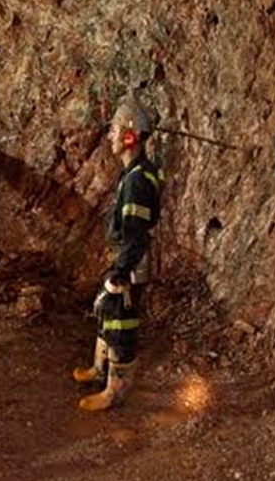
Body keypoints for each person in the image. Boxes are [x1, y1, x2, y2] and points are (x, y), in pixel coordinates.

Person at [72, 97, 163, 411]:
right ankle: (100, 370)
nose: (109, 135)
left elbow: (136, 239)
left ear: (129, 135)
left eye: (113, 129)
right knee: (107, 314)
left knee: (121, 325)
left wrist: (119, 275)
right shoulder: (134, 173)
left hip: (131, 265)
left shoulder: (138, 180)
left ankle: (115, 392)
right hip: (123, 260)